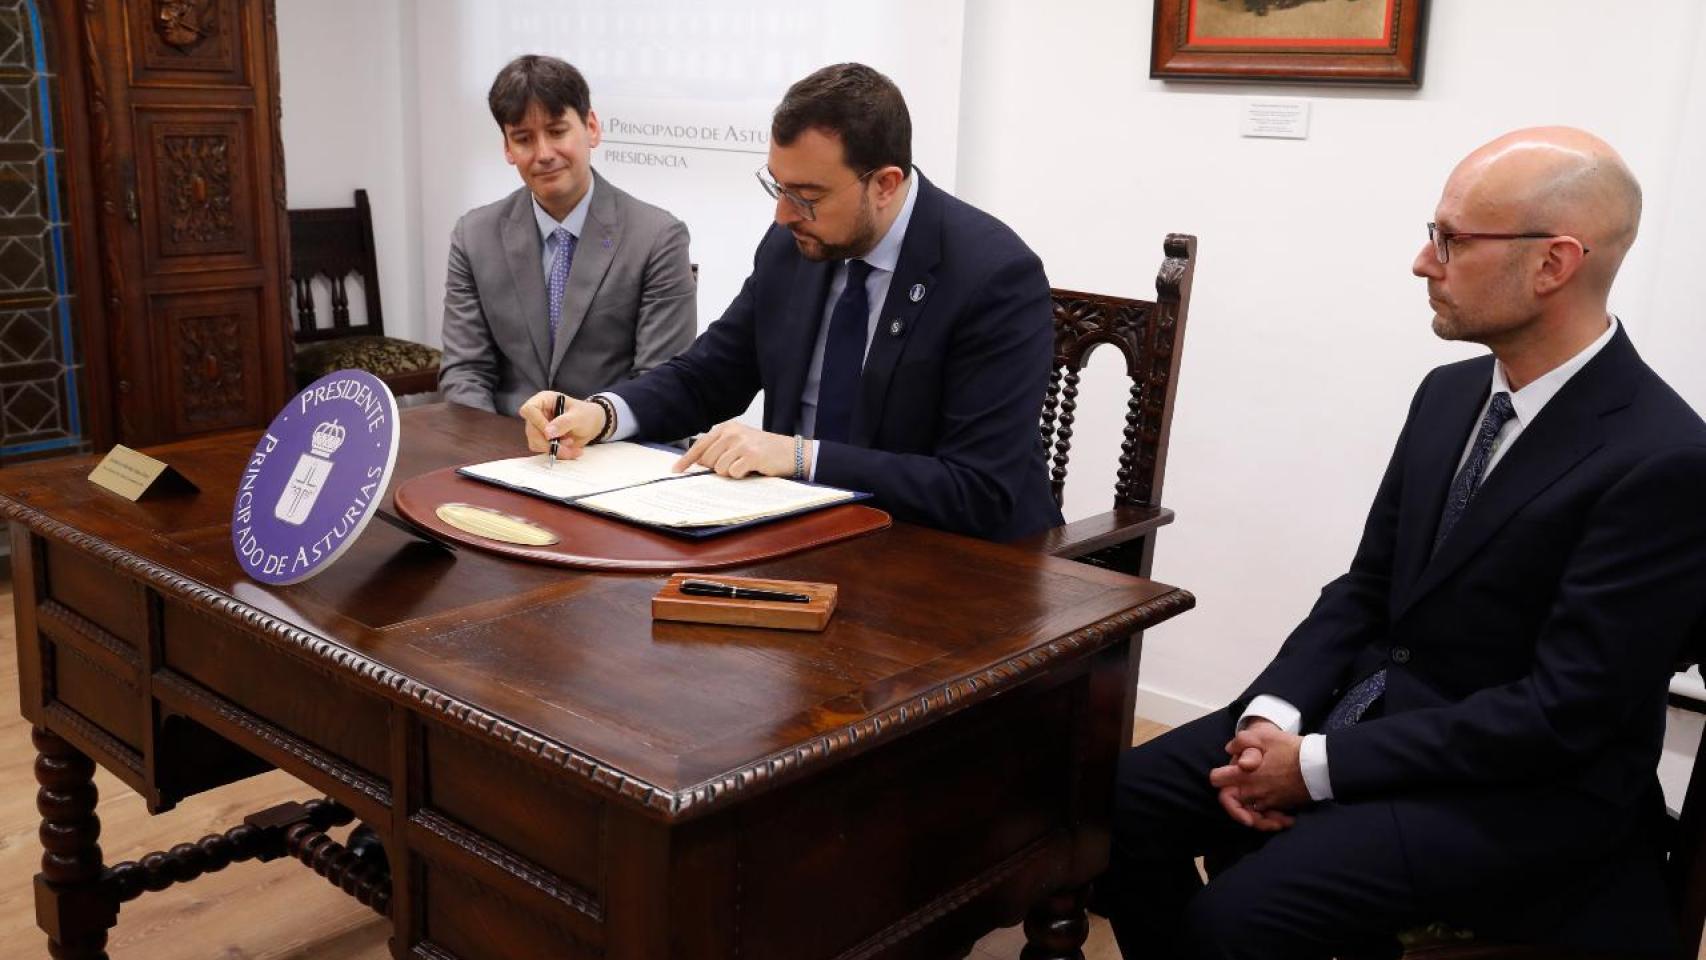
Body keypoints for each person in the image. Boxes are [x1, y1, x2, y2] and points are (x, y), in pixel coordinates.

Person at [1096, 127, 1706, 958]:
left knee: (1237, 918)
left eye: (1450, 239)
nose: (1425, 263)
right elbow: (1368, 586)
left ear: (1553, 264)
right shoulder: (1450, 393)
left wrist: (1314, 765)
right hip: (1383, 715)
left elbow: (1562, 713)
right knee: (1112, 804)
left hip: (1526, 791)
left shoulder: (1662, 457)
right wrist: (1271, 717)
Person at [518, 63, 1063, 542]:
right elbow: (709, 376)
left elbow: (978, 488)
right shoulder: (793, 245)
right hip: (803, 534)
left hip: (955, 563)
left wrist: (800, 457)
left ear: (886, 184)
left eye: (807, 196)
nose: (783, 214)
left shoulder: (993, 276)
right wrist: (603, 414)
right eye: (777, 187)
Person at [437, 55, 696, 415]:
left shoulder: (657, 238)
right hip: (503, 448)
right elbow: (466, 373)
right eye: (524, 139)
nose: (543, 154)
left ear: (591, 127)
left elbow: (661, 382)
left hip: (613, 451)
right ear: (508, 149)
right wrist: (489, 454)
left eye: (557, 132)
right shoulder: (474, 236)